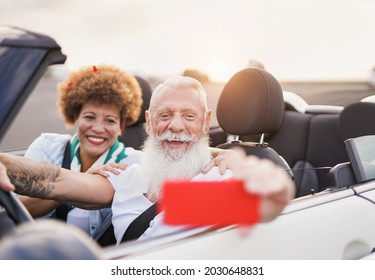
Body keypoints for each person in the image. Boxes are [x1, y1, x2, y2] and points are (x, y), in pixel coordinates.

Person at [0, 76, 295, 244]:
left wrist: (274, 189)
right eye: (165, 116)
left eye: (189, 116)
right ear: (150, 123)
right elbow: (58, 181)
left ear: (206, 123)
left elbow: (263, 204)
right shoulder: (130, 174)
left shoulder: (217, 177)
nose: (176, 126)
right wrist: (4, 164)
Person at [18, 64, 144, 240]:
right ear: (75, 116)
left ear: (122, 126)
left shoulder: (135, 164)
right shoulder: (46, 147)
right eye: (89, 117)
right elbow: (16, 210)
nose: (98, 128)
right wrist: (73, 186)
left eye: (109, 120)